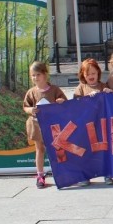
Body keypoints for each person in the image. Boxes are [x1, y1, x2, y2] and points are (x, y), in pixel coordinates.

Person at [23, 61, 67, 189]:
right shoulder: (31, 92)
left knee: (58, 149)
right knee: (40, 149)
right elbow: (25, 106)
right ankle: (40, 175)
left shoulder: (54, 90)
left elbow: (65, 103)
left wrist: (61, 101)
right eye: (33, 75)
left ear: (45, 74)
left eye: (38, 74)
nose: (35, 78)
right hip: (37, 125)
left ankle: (62, 173)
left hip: (53, 125)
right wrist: (31, 110)